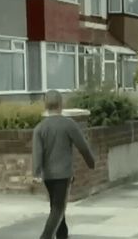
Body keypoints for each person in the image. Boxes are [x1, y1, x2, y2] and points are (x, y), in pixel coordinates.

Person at [32, 90, 96, 239]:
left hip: (48, 176)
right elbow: (83, 146)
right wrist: (91, 162)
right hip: (64, 174)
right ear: (61, 104)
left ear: (45, 105)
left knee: (56, 207)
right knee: (58, 208)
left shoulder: (39, 128)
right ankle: (46, 236)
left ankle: (62, 235)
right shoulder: (68, 124)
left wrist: (36, 173)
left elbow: (37, 153)